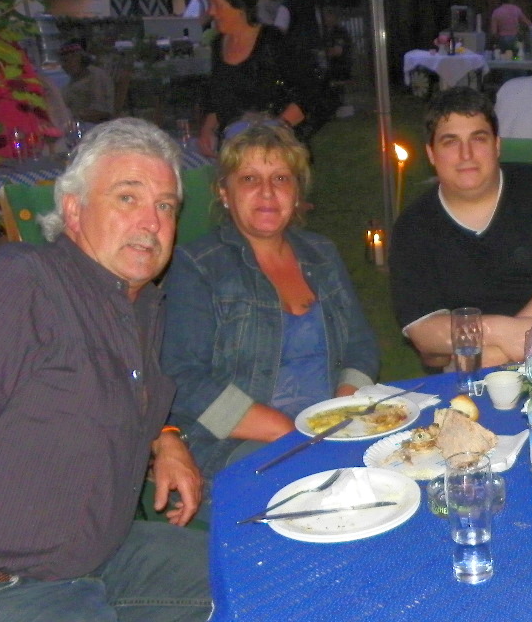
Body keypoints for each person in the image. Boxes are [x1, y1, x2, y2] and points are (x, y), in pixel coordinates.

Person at [0, 117, 261, 622]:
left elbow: (112, 389)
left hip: (97, 559)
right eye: (127, 197)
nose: (151, 221)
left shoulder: (136, 303)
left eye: (165, 205)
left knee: (268, 574)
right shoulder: (21, 285)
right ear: (72, 210)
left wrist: (164, 437)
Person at [162, 123, 379, 481]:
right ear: (224, 192)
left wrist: (342, 410)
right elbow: (182, 378)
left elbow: (361, 344)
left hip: (327, 429)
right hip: (237, 444)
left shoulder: (321, 254)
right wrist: (288, 432)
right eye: (249, 179)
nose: (267, 192)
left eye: (281, 179)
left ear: (296, 193)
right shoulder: (199, 266)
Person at [390, 87, 532, 368]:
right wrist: (502, 333)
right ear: (431, 154)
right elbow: (424, 330)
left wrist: (500, 352)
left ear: (497, 145)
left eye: (478, 139)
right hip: (478, 370)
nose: (466, 154)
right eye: (450, 142)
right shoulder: (414, 226)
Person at [197, 0, 311, 157]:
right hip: (234, 150)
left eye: (216, 4)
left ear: (239, 5)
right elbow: (217, 98)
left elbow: (307, 93)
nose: (211, 12)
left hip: (275, 149)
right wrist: (207, 130)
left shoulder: (272, 41)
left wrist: (273, 132)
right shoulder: (218, 44)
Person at [58, 41, 114, 123]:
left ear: (79, 58)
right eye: (62, 62)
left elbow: (102, 112)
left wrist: (74, 116)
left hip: (93, 125)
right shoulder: (75, 78)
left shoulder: (96, 76)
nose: (63, 66)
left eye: (66, 61)